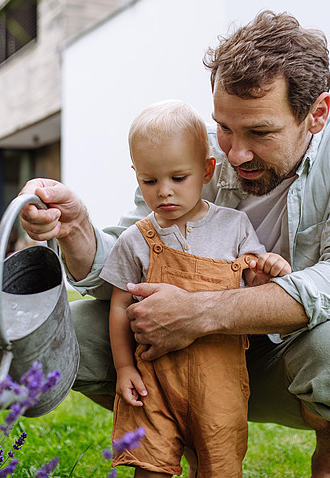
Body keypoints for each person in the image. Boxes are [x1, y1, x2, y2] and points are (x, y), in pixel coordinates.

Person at [19, 10, 330, 478]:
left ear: (316, 114)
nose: (234, 153)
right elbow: (130, 263)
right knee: (71, 333)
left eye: (259, 133)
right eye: (225, 127)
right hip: (181, 363)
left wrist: (200, 314)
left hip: (291, 355)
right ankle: (186, 439)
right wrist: (76, 228)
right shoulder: (194, 149)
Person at [101, 99, 291, 477]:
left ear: (206, 171)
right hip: (155, 379)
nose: (164, 192)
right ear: (137, 175)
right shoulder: (136, 240)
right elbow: (120, 305)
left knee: (218, 464)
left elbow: (253, 282)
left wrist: (270, 270)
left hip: (218, 382)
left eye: (178, 178)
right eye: (150, 181)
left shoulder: (235, 227)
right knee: (150, 465)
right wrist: (124, 367)